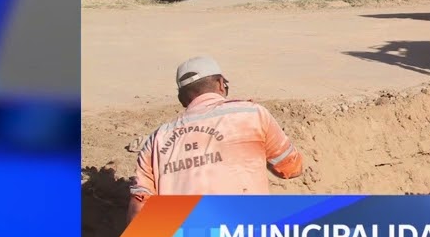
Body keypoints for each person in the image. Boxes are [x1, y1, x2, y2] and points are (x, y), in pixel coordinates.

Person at [128, 55, 304, 222]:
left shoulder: (156, 139)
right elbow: (291, 167)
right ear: (221, 84)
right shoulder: (251, 114)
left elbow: (140, 205)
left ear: (181, 99)